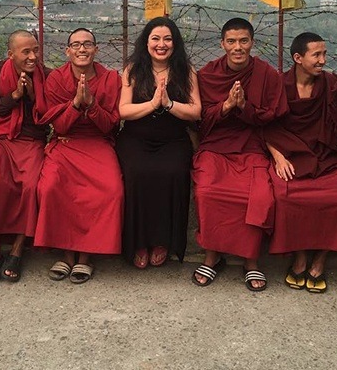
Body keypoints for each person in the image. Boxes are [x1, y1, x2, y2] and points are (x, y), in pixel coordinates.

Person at [192, 17, 287, 291]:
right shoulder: (208, 74)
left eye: (243, 41)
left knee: (258, 196)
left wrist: (244, 107)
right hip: (216, 147)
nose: (238, 47)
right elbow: (200, 120)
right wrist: (225, 106)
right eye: (231, 41)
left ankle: (250, 261)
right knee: (207, 192)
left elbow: (273, 116)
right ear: (222, 44)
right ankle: (211, 256)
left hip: (252, 147)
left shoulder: (267, 75)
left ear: (252, 43)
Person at [264, 32, 337, 293]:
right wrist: (277, 156)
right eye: (317, 55)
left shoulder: (333, 86)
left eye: (324, 54)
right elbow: (264, 125)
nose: (323, 60)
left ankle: (320, 260)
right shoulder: (279, 86)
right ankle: (300, 257)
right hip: (290, 154)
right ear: (298, 58)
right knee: (287, 195)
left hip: (326, 156)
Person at [34, 28, 123, 283]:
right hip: (66, 142)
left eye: (87, 44)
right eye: (76, 45)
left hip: (98, 142)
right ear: (68, 51)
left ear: (96, 49)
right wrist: (75, 104)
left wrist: (92, 104)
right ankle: (66, 254)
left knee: (111, 190)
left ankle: (86, 255)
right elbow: (59, 126)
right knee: (51, 187)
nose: (82, 49)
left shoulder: (110, 79)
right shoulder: (56, 79)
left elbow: (110, 126)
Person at [115, 17, 201, 269]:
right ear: (146, 42)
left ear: (175, 43)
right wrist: (153, 104)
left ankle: (163, 241)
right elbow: (123, 110)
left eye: (167, 39)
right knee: (137, 174)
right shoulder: (133, 69)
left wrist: (169, 104)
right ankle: (138, 242)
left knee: (172, 172)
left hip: (173, 139)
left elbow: (196, 111)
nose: (161, 44)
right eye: (155, 38)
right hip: (136, 138)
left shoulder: (186, 70)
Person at [0, 30, 48, 286]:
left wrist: (30, 97)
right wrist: (15, 96)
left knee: (30, 187)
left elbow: (45, 118)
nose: (32, 57)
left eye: (36, 51)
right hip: (1, 138)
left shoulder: (45, 74)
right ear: (11, 54)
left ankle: (18, 248)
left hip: (30, 140)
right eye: (26, 52)